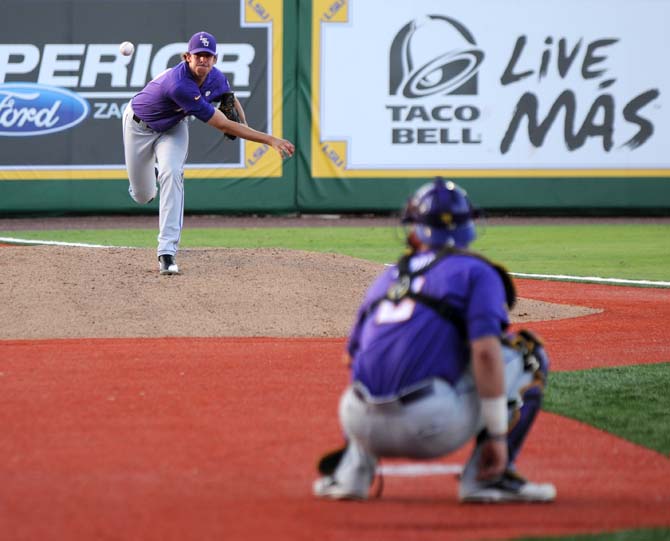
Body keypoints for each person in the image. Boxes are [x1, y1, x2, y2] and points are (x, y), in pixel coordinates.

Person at [313, 177, 556, 503]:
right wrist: (497, 435)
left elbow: (353, 358)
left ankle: (350, 474)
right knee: (528, 354)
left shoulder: (389, 275)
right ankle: (489, 478)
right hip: (430, 426)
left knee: (384, 361)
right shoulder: (476, 271)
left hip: (358, 421)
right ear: (469, 224)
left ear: (413, 228)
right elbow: (485, 353)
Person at [122, 31, 295, 275]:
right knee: (143, 195)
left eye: (208, 56)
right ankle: (149, 175)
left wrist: (244, 125)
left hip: (173, 128)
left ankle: (166, 252)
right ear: (187, 57)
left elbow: (229, 99)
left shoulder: (216, 77)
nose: (203, 60)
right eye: (198, 55)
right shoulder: (179, 84)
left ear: (214, 59)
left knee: (172, 173)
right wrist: (269, 140)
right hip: (138, 126)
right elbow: (223, 124)